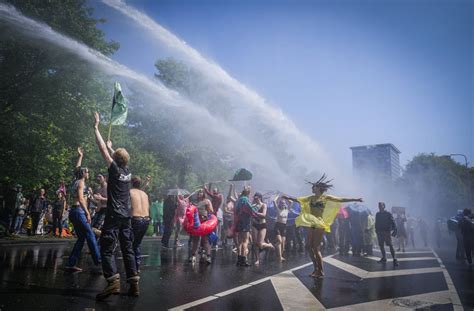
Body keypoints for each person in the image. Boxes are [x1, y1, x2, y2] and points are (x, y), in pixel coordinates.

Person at [93, 112, 139, 300]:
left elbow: (102, 149)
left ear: (116, 161)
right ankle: (134, 283)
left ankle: (112, 281)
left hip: (113, 215)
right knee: (127, 248)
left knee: (106, 247)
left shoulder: (114, 169)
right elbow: (115, 157)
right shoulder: (127, 172)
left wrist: (96, 127)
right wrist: (113, 150)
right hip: (126, 215)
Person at [284, 174, 362, 278]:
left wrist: (355, 199)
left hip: (319, 223)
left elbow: (340, 199)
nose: (312, 188)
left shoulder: (325, 197)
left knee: (316, 248)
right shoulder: (310, 198)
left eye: (314, 187)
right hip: (312, 223)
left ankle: (320, 271)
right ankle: (316, 268)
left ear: (319, 188)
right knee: (308, 246)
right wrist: (288, 197)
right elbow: (298, 199)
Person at [65, 147, 101, 272]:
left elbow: (76, 169)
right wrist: (87, 213)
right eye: (87, 172)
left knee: (81, 238)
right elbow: (81, 199)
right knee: (90, 234)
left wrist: (80, 156)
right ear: (83, 173)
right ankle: (99, 260)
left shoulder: (75, 180)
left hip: (73, 212)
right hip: (79, 211)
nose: (88, 173)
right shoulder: (81, 183)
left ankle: (71, 263)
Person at [130, 176, 151, 273]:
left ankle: (132, 268)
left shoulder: (130, 192)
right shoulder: (144, 194)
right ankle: (137, 267)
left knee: (130, 244)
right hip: (146, 220)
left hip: (136, 219)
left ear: (131, 183)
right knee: (137, 244)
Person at [235, 186, 258, 266]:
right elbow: (250, 209)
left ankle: (239, 259)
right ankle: (244, 260)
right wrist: (256, 208)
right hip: (245, 222)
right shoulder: (245, 199)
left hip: (239, 222)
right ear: (248, 192)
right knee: (245, 241)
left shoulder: (239, 199)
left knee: (240, 241)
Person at [189, 189, 214, 264]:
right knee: (195, 240)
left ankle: (208, 256)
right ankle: (193, 255)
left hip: (204, 222)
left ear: (204, 194)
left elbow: (211, 211)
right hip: (196, 222)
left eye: (201, 192)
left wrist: (208, 209)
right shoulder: (195, 202)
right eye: (199, 192)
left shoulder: (207, 201)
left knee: (205, 240)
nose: (200, 193)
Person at [251, 192, 274, 265]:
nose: (255, 198)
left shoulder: (264, 205)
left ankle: (269, 245)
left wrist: (255, 212)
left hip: (262, 225)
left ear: (260, 197)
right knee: (255, 243)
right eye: (254, 196)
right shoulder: (253, 205)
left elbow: (263, 215)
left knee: (260, 244)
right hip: (254, 224)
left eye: (256, 196)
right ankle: (257, 259)